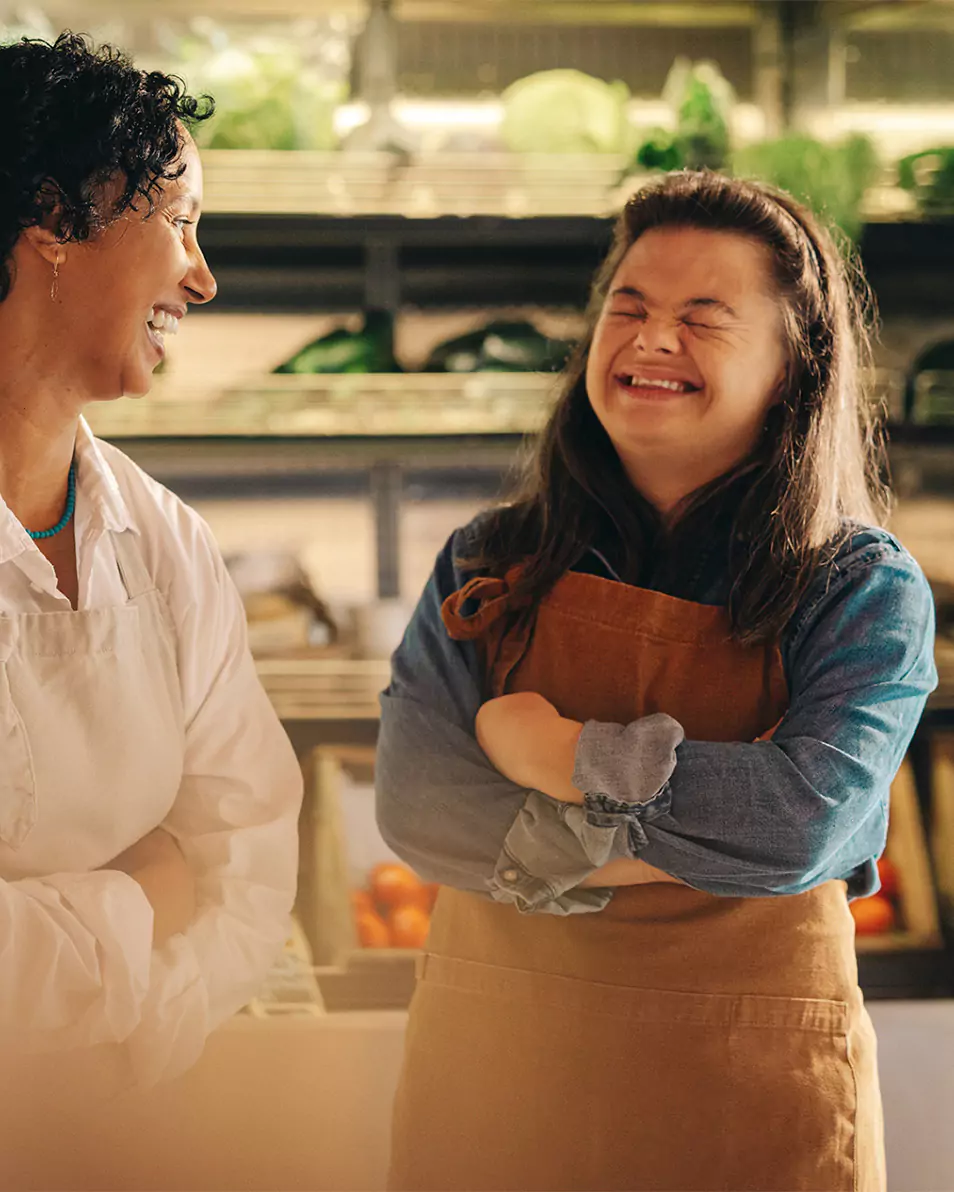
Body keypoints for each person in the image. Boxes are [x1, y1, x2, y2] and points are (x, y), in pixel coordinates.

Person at [376, 171, 937, 1192]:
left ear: (795, 363)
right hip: (500, 1085)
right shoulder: (487, 560)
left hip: (749, 1084)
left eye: (701, 318)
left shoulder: (856, 587)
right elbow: (418, 810)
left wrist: (557, 756)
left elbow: (797, 823)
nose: (648, 339)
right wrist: (702, 830)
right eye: (627, 309)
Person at [0, 33, 302, 1095]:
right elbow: (183, 881)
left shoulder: (164, 537)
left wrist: (124, 1039)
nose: (203, 277)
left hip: (113, 1120)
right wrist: (136, 903)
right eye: (179, 223)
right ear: (51, 222)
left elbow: (249, 859)